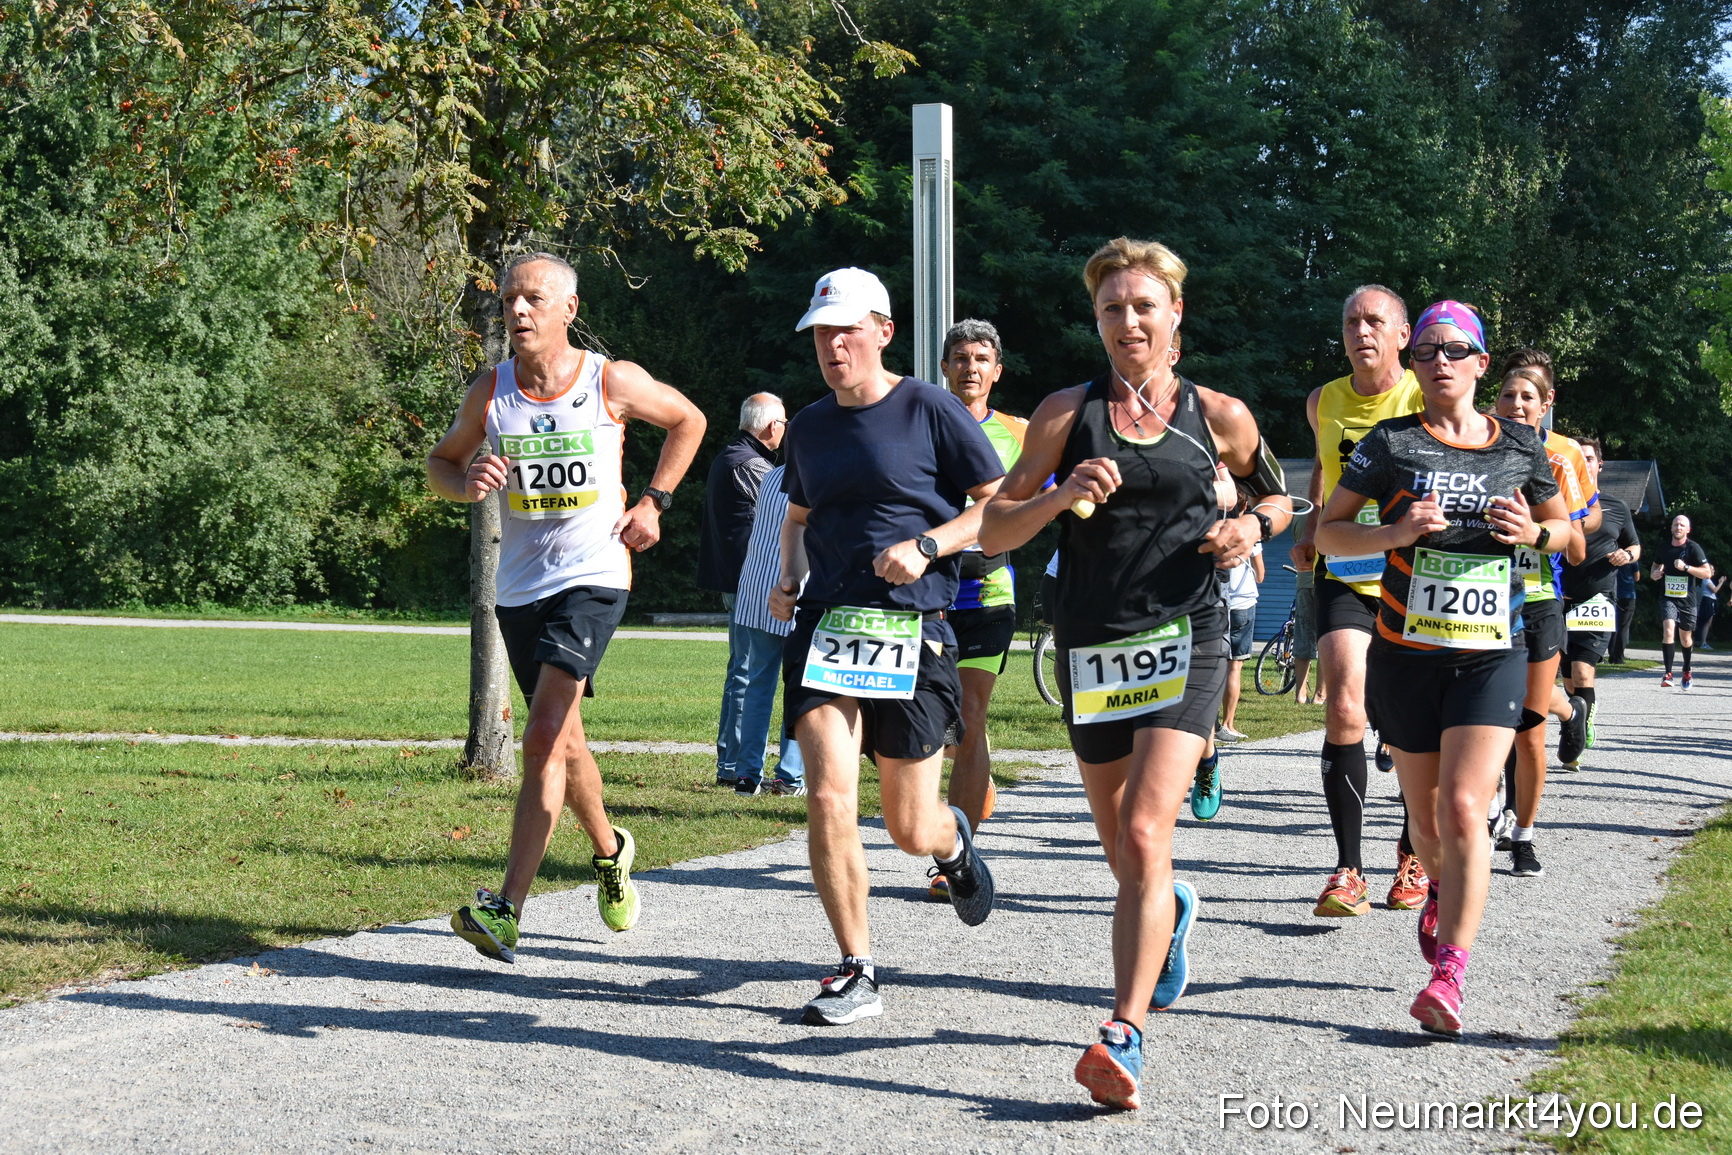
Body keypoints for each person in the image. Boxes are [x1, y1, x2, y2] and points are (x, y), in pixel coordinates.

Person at [979, 237, 1292, 1110]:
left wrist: (1251, 530)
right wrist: (1058, 492)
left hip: (1188, 636)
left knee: (1149, 833)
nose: (1128, 322)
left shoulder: (1217, 415)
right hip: (1094, 645)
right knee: (1125, 850)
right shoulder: (1061, 414)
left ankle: (1124, 1032)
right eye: (1113, 309)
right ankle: (1173, 911)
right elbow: (997, 528)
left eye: (1143, 306)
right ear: (1098, 321)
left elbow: (1278, 494)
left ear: (1174, 315)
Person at [426, 252, 706, 961]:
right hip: (519, 588)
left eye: (533, 299)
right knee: (566, 740)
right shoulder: (490, 394)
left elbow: (689, 420)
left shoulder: (608, 380)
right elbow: (439, 463)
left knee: (542, 733)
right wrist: (467, 483)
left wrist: (655, 501)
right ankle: (611, 850)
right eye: (510, 300)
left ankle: (506, 909)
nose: (517, 311)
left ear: (568, 311)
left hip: (595, 573)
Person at [1316, 299, 1570, 1040]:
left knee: (1464, 809)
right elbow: (1329, 533)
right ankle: (1435, 890)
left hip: (1492, 653)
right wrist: (1394, 531)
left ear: (1481, 363)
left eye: (1455, 350)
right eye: (1426, 352)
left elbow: (1572, 539)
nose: (1440, 362)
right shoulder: (1388, 443)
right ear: (1415, 364)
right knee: (1427, 828)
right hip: (1405, 654)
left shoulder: (1522, 446)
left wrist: (1536, 532)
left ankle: (1449, 972)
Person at [770, 266, 1005, 1028]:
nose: (832, 345)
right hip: (828, 627)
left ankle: (953, 841)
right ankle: (856, 965)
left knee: (910, 826)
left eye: (846, 330)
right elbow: (800, 515)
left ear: (883, 331)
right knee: (829, 792)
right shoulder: (807, 427)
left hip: (913, 625)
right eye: (821, 333)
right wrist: (785, 577)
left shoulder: (929, 408)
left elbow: (995, 508)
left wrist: (929, 546)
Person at [1290, 285, 1430, 917]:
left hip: (1419, 574)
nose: (1361, 331)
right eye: (1351, 321)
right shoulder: (1323, 400)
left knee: (1410, 723)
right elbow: (1327, 470)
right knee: (1345, 707)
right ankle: (1348, 870)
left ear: (1404, 335)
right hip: (1346, 563)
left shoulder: (1425, 394)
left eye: (1376, 321)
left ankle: (1413, 855)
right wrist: (1310, 521)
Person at [926, 319, 1027, 904]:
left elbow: (1055, 499)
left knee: (970, 716)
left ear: (997, 370)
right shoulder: (919, 419)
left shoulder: (1018, 432)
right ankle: (960, 804)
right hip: (927, 595)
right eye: (960, 357)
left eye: (981, 358)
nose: (970, 367)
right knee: (928, 729)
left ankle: (957, 851)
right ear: (944, 366)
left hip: (988, 591)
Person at [1491, 358, 1596, 877]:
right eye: (1507, 395)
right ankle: (1488, 811)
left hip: (1536, 598)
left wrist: (1533, 527)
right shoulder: (1475, 445)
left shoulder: (1560, 456)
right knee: (1482, 721)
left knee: (1529, 728)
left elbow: (1576, 549)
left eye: (1526, 397)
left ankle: (1524, 833)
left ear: (1545, 404)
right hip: (1484, 597)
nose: (1515, 405)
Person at [701, 393, 793, 791]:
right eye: (783, 422)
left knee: (745, 673)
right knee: (748, 674)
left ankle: (735, 764)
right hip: (756, 586)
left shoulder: (730, 456)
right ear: (772, 426)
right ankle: (736, 763)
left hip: (741, 582)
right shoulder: (755, 467)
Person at [727, 461, 807, 795]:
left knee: (757, 685)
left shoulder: (772, 475)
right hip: (796, 593)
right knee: (799, 689)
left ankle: (747, 775)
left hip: (758, 591)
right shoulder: (821, 474)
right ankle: (789, 775)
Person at [1558, 436, 1639, 766]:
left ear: (1598, 465)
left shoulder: (1616, 507)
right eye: (1579, 458)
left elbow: (1635, 546)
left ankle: (1578, 730)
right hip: (1560, 599)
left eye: (1589, 458)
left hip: (1598, 599)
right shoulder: (1557, 502)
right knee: (1565, 678)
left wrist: (1627, 554)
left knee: (1581, 672)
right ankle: (1576, 716)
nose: (1585, 463)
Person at [1651, 514, 1711, 688]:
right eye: (1676, 524)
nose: (1678, 527)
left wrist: (1686, 567)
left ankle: (1686, 669)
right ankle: (1668, 674)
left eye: (1682, 525)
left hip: (1688, 600)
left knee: (1686, 639)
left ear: (1688, 529)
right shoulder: (1663, 547)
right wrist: (1654, 574)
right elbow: (1655, 566)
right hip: (1667, 597)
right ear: (1671, 528)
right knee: (1669, 629)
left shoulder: (1693, 548)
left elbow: (1707, 573)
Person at [1216, 543, 1264, 741]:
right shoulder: (1251, 537)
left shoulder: (1216, 533)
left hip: (1219, 601)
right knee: (1234, 667)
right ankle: (1229, 723)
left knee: (1215, 664)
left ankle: (1213, 723)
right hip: (1243, 603)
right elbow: (1260, 575)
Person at [1610, 558, 1639, 664]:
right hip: (1628, 595)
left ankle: (1611, 655)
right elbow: (1637, 577)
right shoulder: (1631, 559)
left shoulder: (1612, 557)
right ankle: (1618, 657)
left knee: (1612, 626)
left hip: (1613, 594)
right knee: (1623, 627)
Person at [1697, 569, 1724, 650]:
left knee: (1707, 622)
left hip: (1709, 601)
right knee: (1706, 622)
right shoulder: (1706, 579)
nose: (1713, 571)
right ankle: (1703, 643)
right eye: (1712, 569)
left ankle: (1700, 641)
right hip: (1707, 601)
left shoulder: (1708, 580)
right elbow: (1714, 590)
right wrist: (1721, 582)